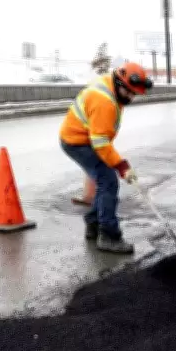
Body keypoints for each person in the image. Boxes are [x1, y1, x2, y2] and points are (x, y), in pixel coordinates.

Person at [59, 62, 152, 254]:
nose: (131, 97)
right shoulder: (104, 101)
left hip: (82, 138)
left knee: (104, 181)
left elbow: (100, 138)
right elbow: (100, 143)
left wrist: (118, 165)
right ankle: (109, 236)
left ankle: (93, 225)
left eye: (134, 94)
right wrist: (121, 166)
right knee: (109, 181)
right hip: (78, 142)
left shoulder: (111, 88)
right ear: (119, 83)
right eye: (129, 92)